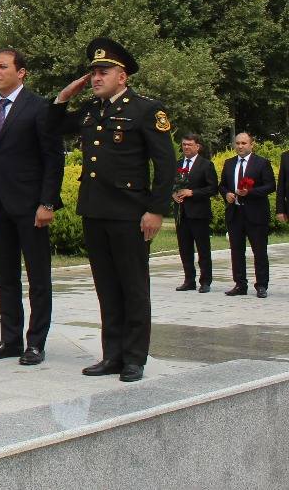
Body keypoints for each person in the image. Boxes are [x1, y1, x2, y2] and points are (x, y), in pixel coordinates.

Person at [48, 38, 173, 383]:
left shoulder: (146, 110)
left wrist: (156, 210)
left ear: (122, 76)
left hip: (130, 213)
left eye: (103, 71)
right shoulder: (91, 110)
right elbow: (53, 127)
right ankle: (112, 355)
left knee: (133, 287)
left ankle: (134, 358)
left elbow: (165, 164)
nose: (96, 77)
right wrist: (63, 97)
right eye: (93, 72)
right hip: (95, 210)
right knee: (106, 287)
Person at [0, 49, 63, 366]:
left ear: (21, 72)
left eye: (3, 66)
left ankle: (35, 342)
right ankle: (10, 339)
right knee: (4, 276)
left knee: (38, 277)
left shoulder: (39, 107)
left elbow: (53, 158)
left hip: (30, 205)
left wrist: (47, 202)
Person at [218, 133, 275, 298]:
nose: (240, 146)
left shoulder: (261, 163)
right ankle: (240, 284)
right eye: (237, 143)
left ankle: (261, 285)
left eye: (243, 143)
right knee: (236, 251)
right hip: (235, 213)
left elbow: (271, 186)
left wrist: (250, 192)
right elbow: (222, 185)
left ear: (251, 144)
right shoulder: (229, 163)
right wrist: (226, 194)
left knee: (259, 251)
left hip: (256, 214)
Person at [172, 134, 219, 292]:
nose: (186, 147)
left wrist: (192, 192)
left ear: (197, 146)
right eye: (184, 144)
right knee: (184, 248)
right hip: (181, 213)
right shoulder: (177, 164)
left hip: (199, 213)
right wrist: (173, 194)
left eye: (189, 144)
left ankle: (205, 281)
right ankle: (189, 280)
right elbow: (170, 183)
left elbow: (212, 188)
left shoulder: (206, 165)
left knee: (203, 249)